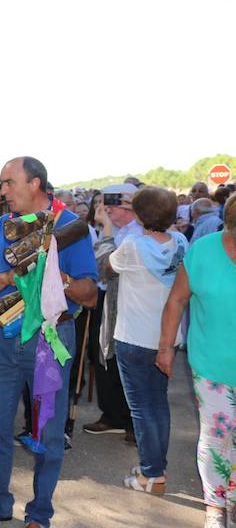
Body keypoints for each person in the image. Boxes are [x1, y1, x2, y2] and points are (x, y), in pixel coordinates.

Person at [0, 157, 97, 528]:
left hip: (50, 340)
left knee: (49, 433)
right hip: (3, 338)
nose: (2, 191)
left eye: (8, 183)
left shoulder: (68, 227)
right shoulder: (2, 227)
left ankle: (39, 516)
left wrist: (58, 276)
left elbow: (90, 295)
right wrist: (6, 275)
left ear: (35, 183)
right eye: (1, 183)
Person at [157, 193, 236, 528]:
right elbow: (177, 299)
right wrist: (166, 347)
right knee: (219, 437)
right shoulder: (204, 250)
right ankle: (216, 508)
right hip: (213, 364)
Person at [109, 187, 186, 493]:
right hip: (167, 337)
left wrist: (107, 227)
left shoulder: (132, 244)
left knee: (142, 408)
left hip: (134, 338)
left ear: (139, 215)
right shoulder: (180, 241)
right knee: (158, 404)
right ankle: (155, 467)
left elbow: (109, 264)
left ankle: (152, 473)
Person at [82, 183, 140, 440]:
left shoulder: (136, 232)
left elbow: (104, 264)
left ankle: (130, 420)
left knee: (124, 360)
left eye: (111, 205)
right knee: (103, 355)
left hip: (128, 302)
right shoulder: (115, 229)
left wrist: (106, 229)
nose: (105, 210)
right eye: (102, 204)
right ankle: (113, 415)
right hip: (105, 297)